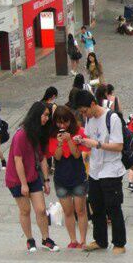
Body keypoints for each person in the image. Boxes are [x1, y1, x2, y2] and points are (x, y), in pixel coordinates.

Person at [75, 90, 127, 255]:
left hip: (111, 169)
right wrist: (82, 142)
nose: (84, 115)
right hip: (95, 170)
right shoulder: (89, 119)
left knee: (113, 207)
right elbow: (90, 140)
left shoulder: (112, 118)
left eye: (85, 111)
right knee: (96, 206)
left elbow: (118, 146)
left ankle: (119, 243)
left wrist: (97, 144)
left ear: (92, 104)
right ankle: (100, 240)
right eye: (82, 112)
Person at [5, 101, 59, 252]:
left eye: (48, 116)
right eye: (45, 115)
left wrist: (46, 180)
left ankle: (46, 239)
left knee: (41, 210)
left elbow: (42, 158)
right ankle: (30, 239)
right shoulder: (21, 135)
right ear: (36, 115)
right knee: (25, 210)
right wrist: (23, 184)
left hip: (33, 176)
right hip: (16, 179)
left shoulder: (37, 132)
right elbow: (18, 160)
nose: (47, 118)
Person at [48, 106, 89, 248]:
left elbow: (77, 155)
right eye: (59, 122)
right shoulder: (53, 135)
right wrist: (60, 143)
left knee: (81, 210)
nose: (62, 126)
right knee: (68, 211)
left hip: (78, 176)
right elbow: (57, 157)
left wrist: (69, 140)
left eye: (65, 122)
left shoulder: (79, 132)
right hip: (61, 178)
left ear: (70, 120)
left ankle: (82, 240)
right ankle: (73, 240)